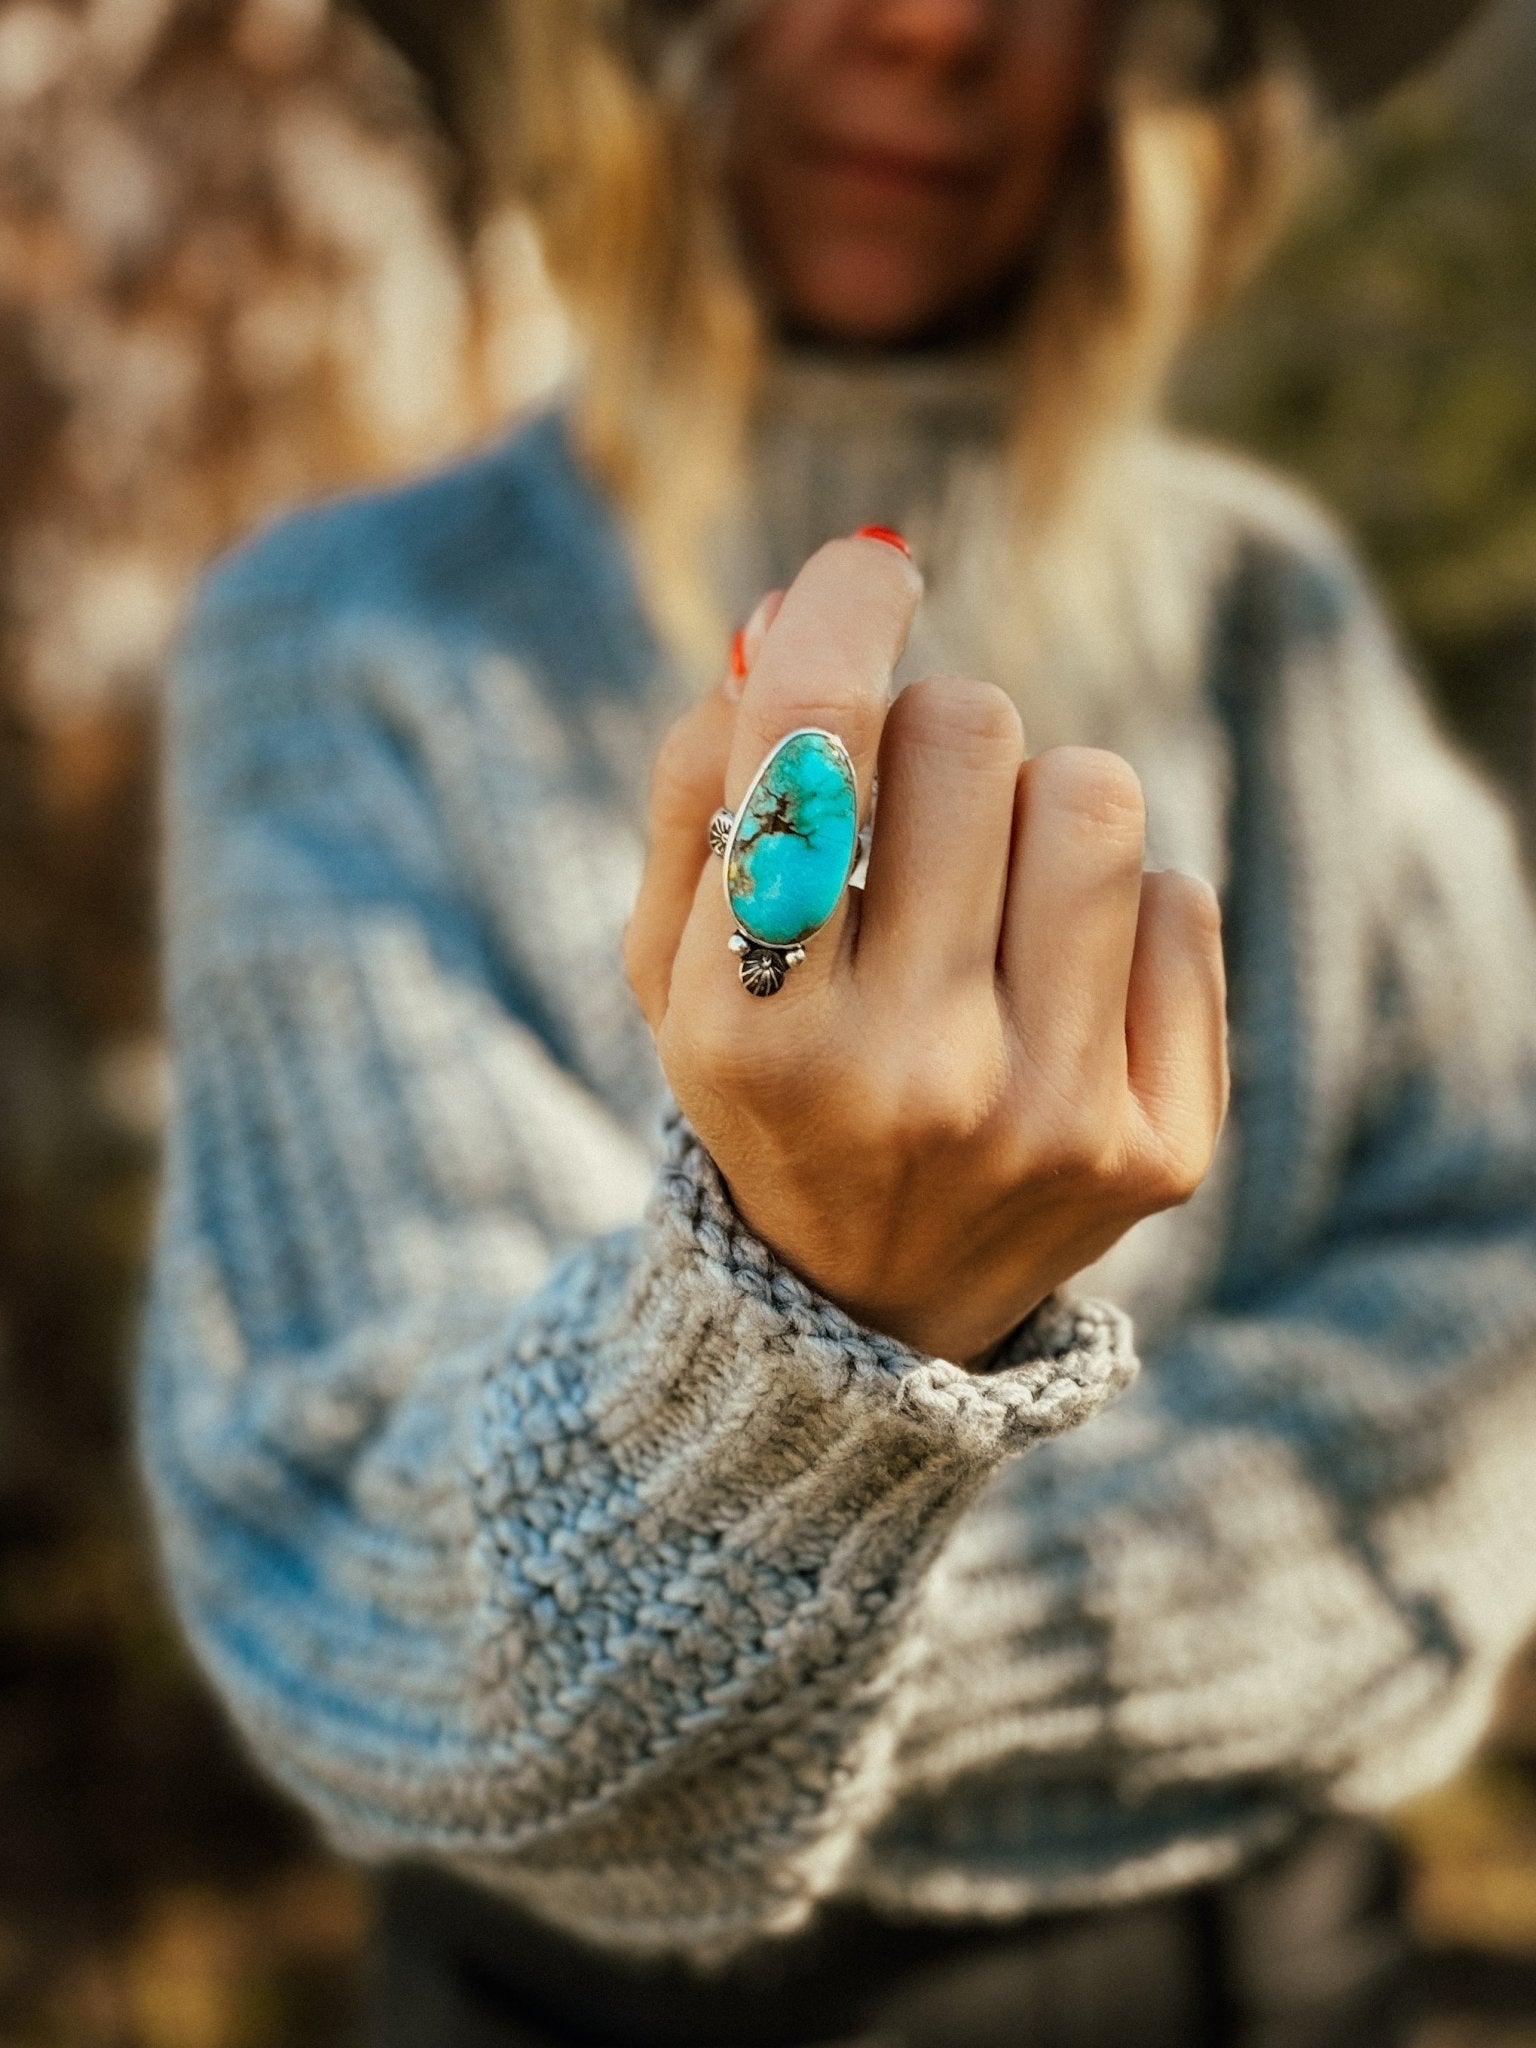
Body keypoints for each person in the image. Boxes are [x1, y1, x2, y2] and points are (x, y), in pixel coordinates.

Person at [140, 2, 1536, 2043]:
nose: (929, 25)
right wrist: (810, 1331)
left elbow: (1492, 1331)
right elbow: (360, 1556)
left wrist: (764, 1608)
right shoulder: (349, 643)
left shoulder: (1275, 620)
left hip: (1266, 1975)